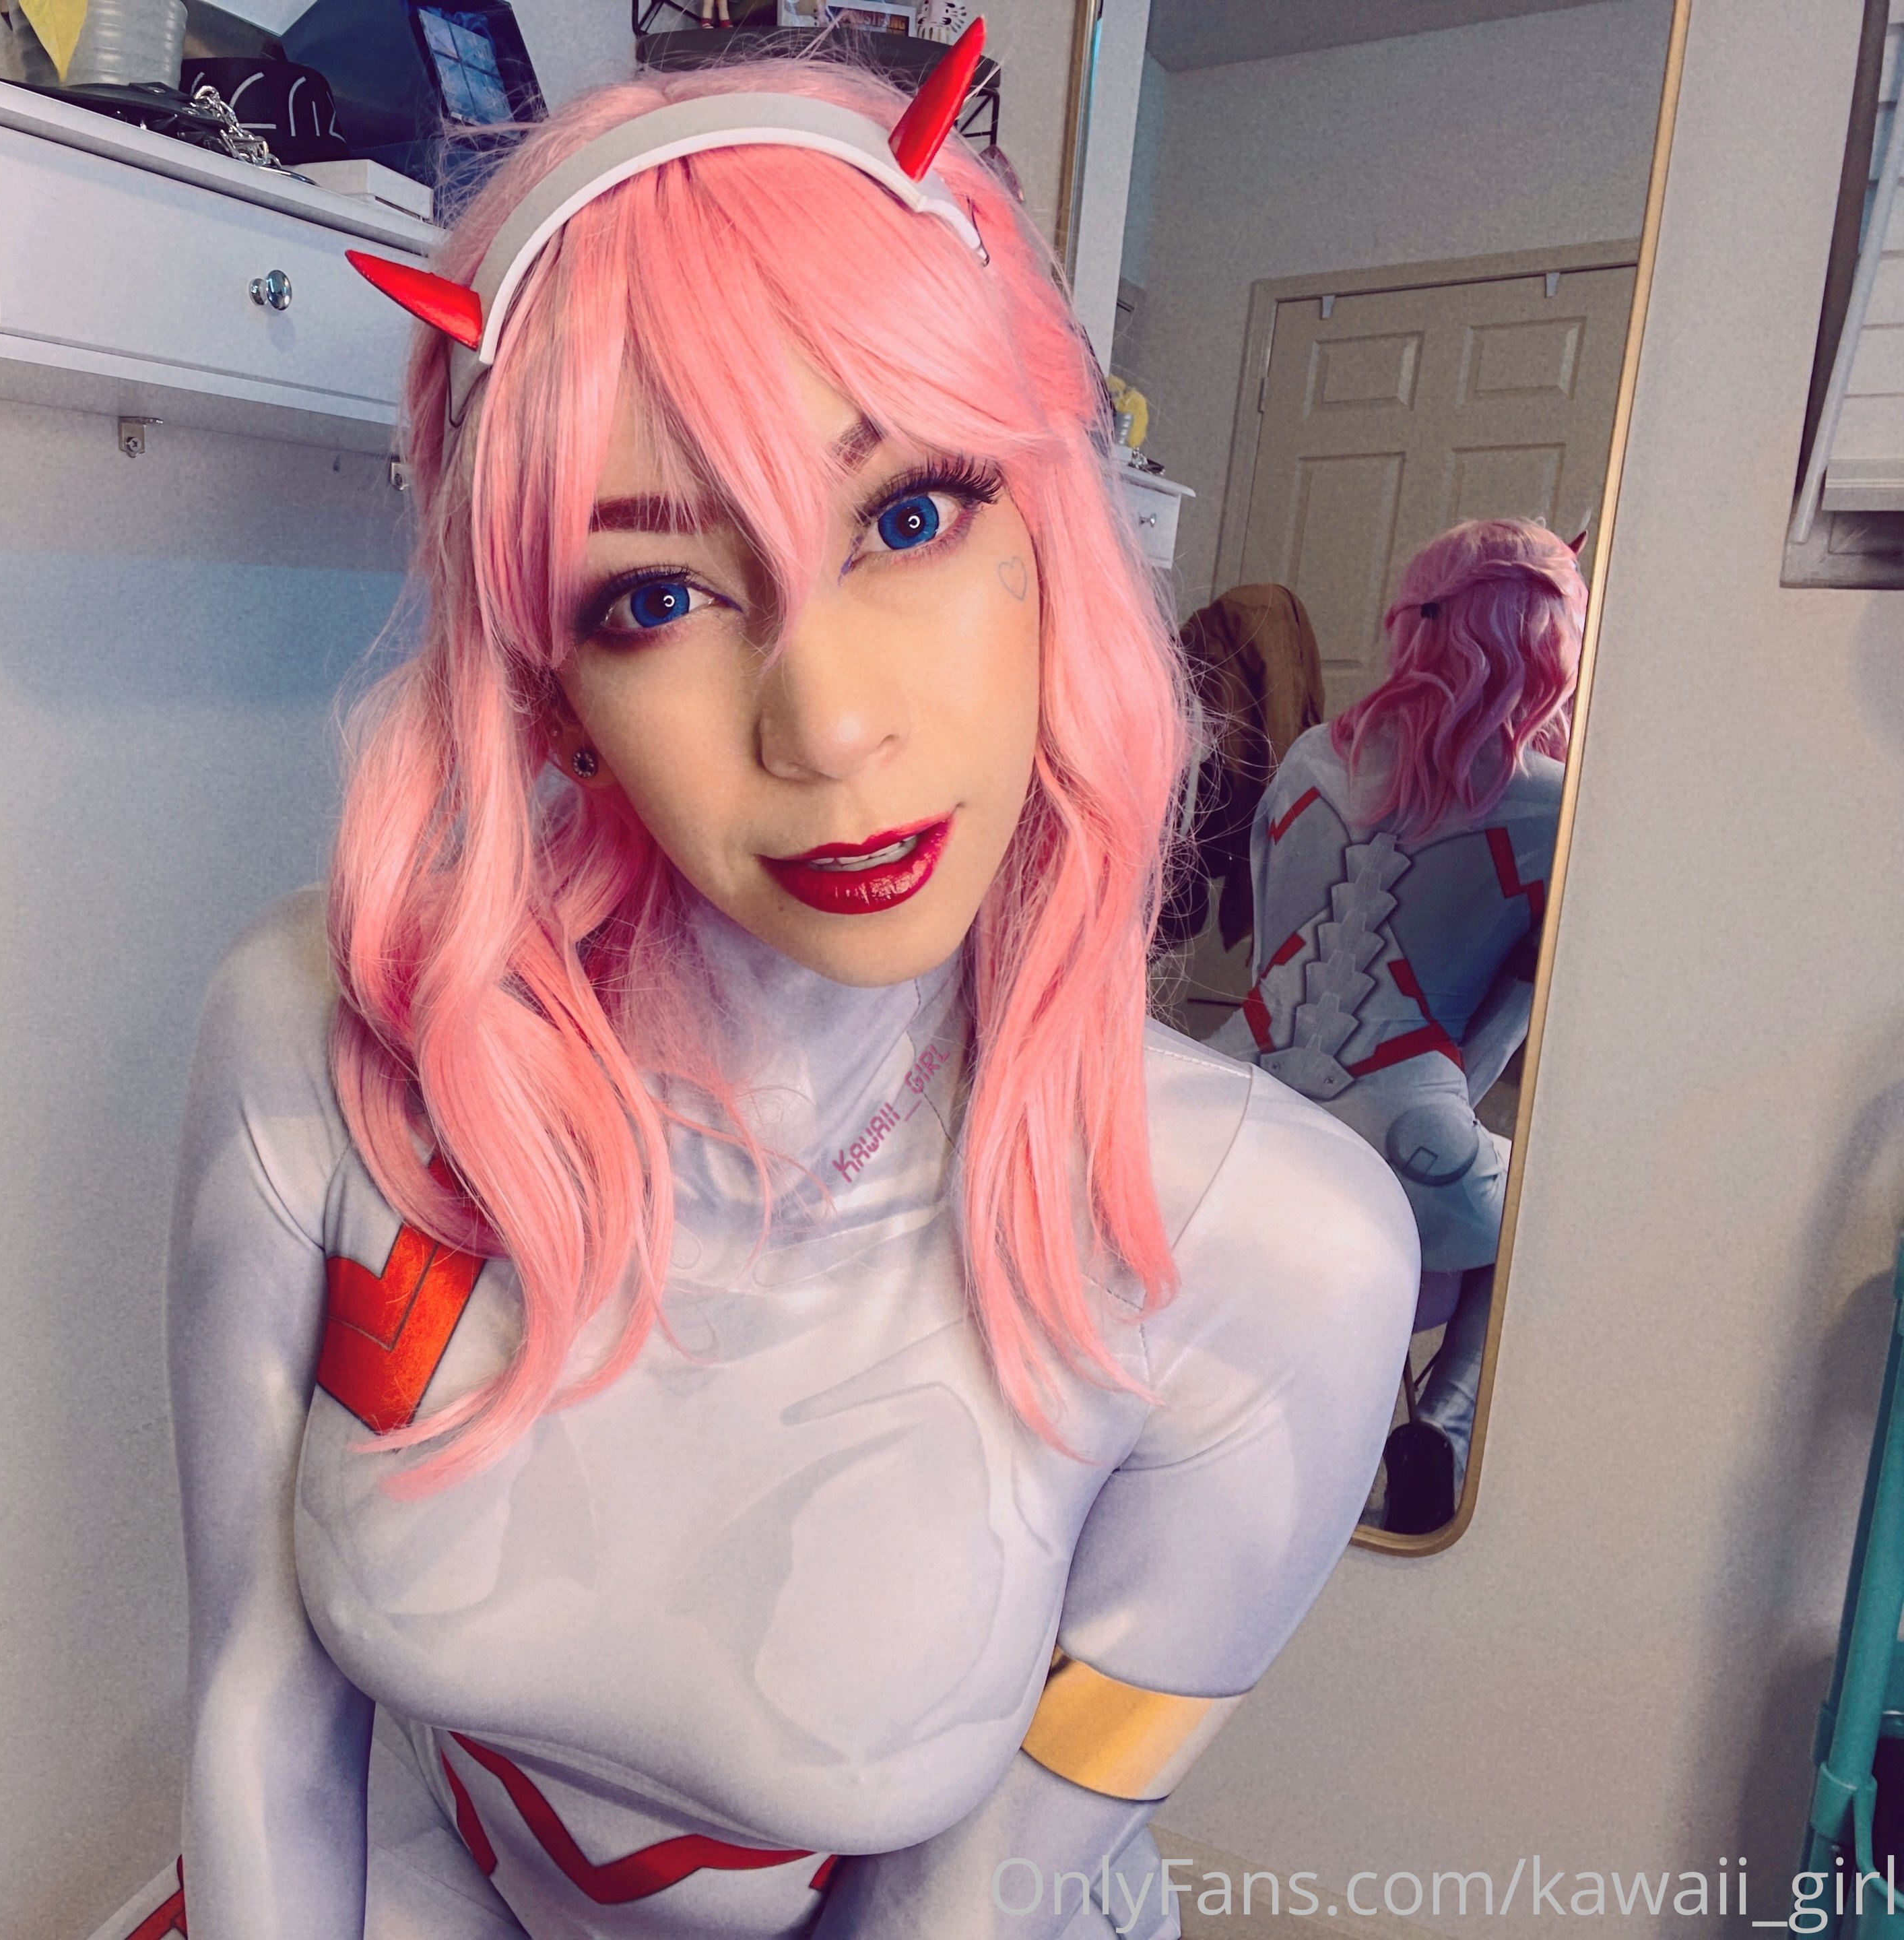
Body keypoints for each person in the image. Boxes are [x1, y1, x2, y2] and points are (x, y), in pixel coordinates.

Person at [168, 43, 1417, 1940]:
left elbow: (960, 1908)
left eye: (910, 518)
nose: (826, 727)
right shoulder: (329, 1056)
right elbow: (262, 1717)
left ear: (1054, 546)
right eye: (655, 598)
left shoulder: (1281, 1256)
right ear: (546, 689)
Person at [1206, 519, 1585, 1531]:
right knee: (1546, 1217)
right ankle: (1443, 1432)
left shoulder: (1306, 759)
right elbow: (1523, 1016)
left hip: (1240, 1090)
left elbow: (1268, 942)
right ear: (1549, 647)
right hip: (1401, 1121)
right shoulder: (1554, 807)